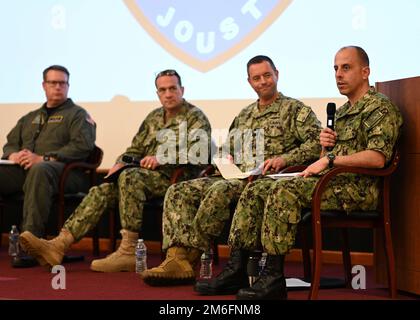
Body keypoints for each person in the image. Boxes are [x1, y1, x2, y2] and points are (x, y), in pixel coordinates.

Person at [195, 46, 403, 300]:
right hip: (333, 182)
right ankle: (238, 266)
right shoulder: (342, 112)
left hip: (357, 188)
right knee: (258, 187)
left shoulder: (379, 107)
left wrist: (330, 157)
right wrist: (326, 148)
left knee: (284, 191)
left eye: (346, 68)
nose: (338, 74)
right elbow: (325, 158)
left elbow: (378, 158)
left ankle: (273, 276)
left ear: (365, 71)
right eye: (335, 68)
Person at [141, 55, 322, 285]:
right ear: (249, 82)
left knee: (219, 191)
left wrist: (284, 159)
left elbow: (316, 144)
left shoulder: (294, 109)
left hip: (261, 181)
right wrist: (224, 157)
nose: (263, 81)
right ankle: (176, 257)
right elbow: (227, 148)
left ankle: (190, 256)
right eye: (257, 78)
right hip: (233, 175)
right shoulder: (244, 114)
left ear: (277, 74)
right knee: (178, 191)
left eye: (267, 75)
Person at [19, 69, 212, 272]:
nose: (168, 94)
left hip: (177, 182)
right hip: (142, 180)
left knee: (130, 177)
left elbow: (200, 154)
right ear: (157, 93)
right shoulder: (153, 117)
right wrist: (120, 162)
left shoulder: (195, 117)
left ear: (182, 89)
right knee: (102, 190)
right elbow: (135, 150)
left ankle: (128, 251)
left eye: (173, 88)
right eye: (162, 90)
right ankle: (58, 245)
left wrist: (162, 158)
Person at [0, 65, 96, 268]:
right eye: (53, 83)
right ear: (44, 85)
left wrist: (45, 158)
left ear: (68, 86)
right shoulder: (30, 117)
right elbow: (10, 143)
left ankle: (31, 244)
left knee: (40, 169)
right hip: (27, 171)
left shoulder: (77, 115)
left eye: (63, 83)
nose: (58, 87)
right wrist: (14, 154)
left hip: (67, 174)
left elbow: (82, 147)